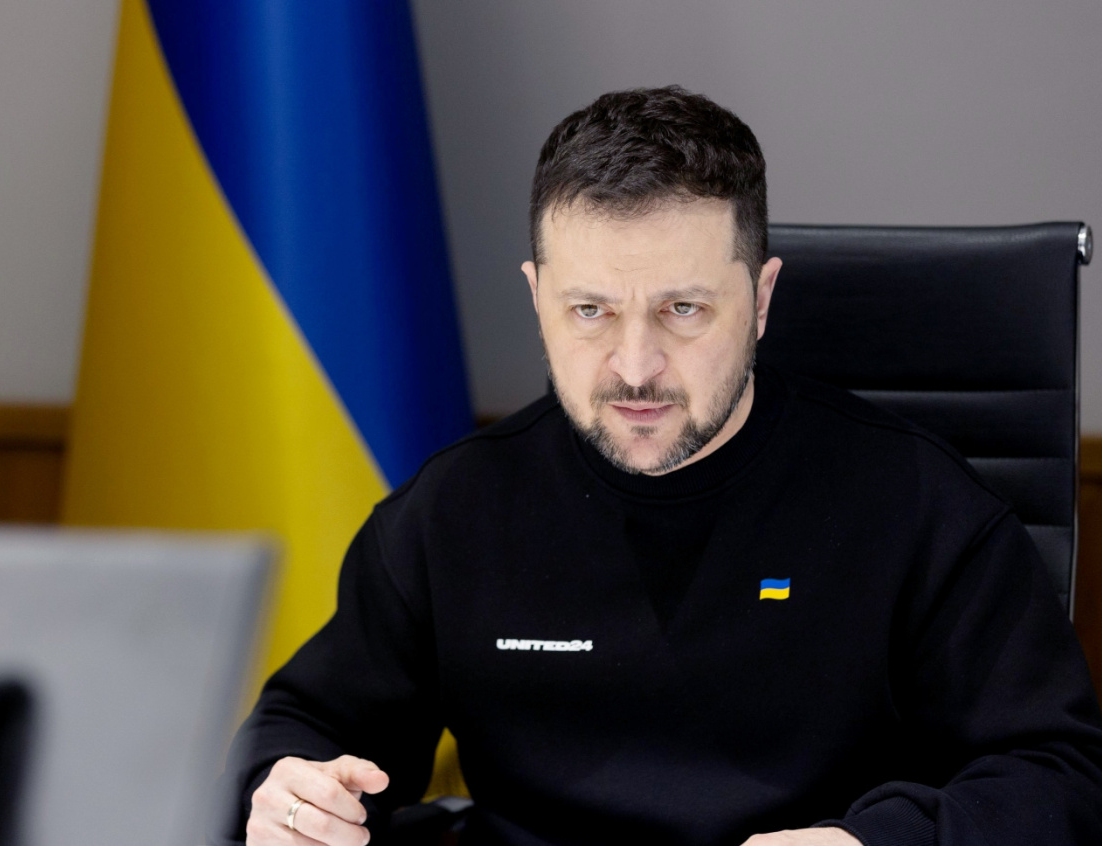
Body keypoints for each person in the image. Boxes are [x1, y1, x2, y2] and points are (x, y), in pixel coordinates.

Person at [210, 86, 1102, 846]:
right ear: (537, 298)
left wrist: (878, 843)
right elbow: (305, 726)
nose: (635, 368)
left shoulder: (917, 505)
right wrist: (286, 789)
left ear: (761, 299)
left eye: (682, 310)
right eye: (590, 310)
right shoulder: (457, 509)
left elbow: (1059, 776)